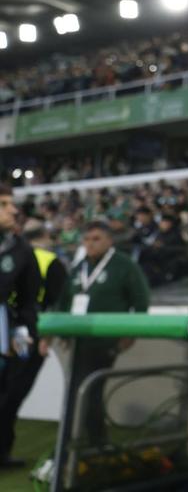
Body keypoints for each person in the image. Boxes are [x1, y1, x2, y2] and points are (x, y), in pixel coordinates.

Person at [55, 220, 150, 444]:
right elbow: (65, 300)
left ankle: (84, 441)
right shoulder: (80, 267)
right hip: (80, 339)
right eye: (86, 240)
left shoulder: (124, 266)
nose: (90, 244)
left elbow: (141, 301)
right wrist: (64, 333)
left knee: (90, 389)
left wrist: (131, 334)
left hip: (106, 340)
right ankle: (90, 440)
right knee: (80, 390)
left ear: (109, 240)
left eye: (96, 239)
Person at [0, 188, 42, 469]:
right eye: (3, 204)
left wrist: (26, 340)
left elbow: (28, 303)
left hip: (10, 329)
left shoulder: (21, 250)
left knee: (11, 392)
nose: (13, 210)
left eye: (12, 204)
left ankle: (2, 453)